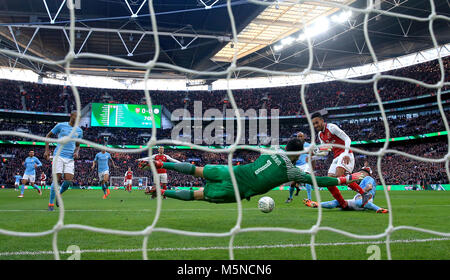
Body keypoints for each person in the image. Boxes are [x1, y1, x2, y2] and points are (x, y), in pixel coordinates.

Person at [140, 138, 366, 203]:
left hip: (229, 171)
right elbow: (320, 182)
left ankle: (161, 164)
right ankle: (161, 192)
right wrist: (348, 179)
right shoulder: (293, 172)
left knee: (195, 170)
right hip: (236, 190)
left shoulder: (272, 151)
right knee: (198, 195)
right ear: (298, 155)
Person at [311, 112, 371, 209]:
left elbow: (347, 139)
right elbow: (326, 151)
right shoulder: (320, 135)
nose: (315, 125)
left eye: (317, 122)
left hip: (345, 154)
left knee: (340, 176)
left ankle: (364, 194)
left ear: (322, 121)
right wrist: (315, 153)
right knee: (329, 181)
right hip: (336, 157)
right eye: (313, 124)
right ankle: (342, 203)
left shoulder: (331, 127)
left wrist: (346, 153)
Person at [304, 165, 389, 213]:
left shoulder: (369, 179)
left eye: (362, 172)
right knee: (339, 202)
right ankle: (316, 204)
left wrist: (362, 193)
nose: (360, 173)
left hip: (364, 199)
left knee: (362, 202)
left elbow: (369, 187)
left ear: (366, 173)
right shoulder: (363, 180)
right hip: (357, 200)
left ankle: (378, 209)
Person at [44, 111, 83, 211]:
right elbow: (48, 136)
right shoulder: (61, 125)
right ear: (71, 116)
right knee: (56, 180)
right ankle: (51, 203)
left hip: (70, 158)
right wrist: (47, 151)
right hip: (59, 156)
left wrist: (77, 152)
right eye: (76, 116)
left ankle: (59, 195)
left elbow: (78, 145)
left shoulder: (79, 131)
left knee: (68, 181)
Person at [286, 132, 315, 203]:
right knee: (293, 183)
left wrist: (310, 157)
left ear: (304, 137)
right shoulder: (295, 145)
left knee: (307, 178)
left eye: (301, 136)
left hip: (305, 165)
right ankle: (290, 197)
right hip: (297, 165)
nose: (299, 138)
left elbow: (313, 154)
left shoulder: (308, 145)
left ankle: (309, 198)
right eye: (298, 136)